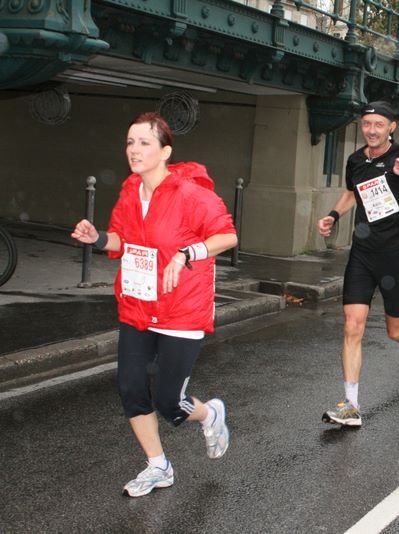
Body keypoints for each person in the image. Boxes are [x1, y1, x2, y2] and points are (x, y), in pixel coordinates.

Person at [70, 112, 237, 497]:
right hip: (139, 306)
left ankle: (210, 413)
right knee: (131, 388)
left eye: (144, 142)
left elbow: (226, 235)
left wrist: (185, 254)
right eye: (130, 142)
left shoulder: (191, 193)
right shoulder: (131, 191)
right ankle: (158, 466)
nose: (134, 150)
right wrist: (96, 238)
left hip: (181, 311)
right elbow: (121, 241)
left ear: (165, 150)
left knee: (169, 402)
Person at [317, 101, 399, 427]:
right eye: (367, 124)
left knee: (395, 330)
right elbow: (352, 193)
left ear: (391, 126)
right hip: (363, 253)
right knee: (352, 326)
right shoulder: (356, 160)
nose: (373, 130)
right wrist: (333, 216)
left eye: (379, 124)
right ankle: (351, 405)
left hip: (396, 254)